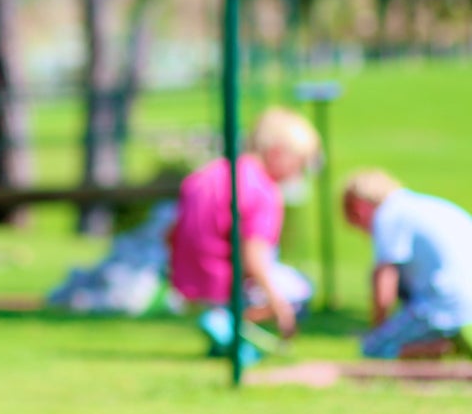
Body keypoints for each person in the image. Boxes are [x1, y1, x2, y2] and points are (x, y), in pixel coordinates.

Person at [169, 107, 321, 359]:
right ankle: (230, 325)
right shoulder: (262, 189)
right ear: (277, 153)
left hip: (189, 282)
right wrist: (278, 305)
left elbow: (171, 232)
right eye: (298, 164)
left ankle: (222, 324)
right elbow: (254, 256)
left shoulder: (210, 173)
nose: (298, 174)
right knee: (301, 291)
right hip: (228, 283)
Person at [342, 169, 472, 359]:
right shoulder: (424, 205)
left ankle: (438, 346)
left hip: (444, 305)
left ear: (360, 207)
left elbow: (385, 281)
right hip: (462, 298)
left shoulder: (389, 216)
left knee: (373, 349)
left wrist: (378, 330)